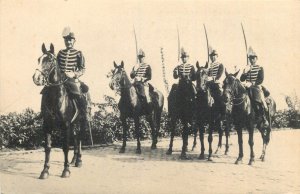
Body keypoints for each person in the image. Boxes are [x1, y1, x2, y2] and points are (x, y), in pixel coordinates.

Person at [57, 27, 89, 126]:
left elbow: (82, 69)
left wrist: (74, 74)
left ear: (74, 41)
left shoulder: (78, 53)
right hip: (60, 80)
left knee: (79, 96)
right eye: (66, 40)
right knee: (46, 91)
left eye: (70, 40)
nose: (68, 42)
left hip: (72, 80)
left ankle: (84, 115)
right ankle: (44, 112)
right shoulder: (60, 53)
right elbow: (57, 66)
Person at [240, 48, 269, 128]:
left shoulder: (260, 67)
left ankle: (263, 118)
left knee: (258, 100)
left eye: (253, 58)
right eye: (250, 58)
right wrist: (245, 72)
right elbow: (241, 79)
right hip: (247, 86)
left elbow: (261, 79)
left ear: (256, 58)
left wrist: (252, 83)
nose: (252, 60)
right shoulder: (247, 67)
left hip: (256, 86)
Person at [206, 49, 225, 118]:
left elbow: (219, 74)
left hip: (217, 84)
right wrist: (207, 71)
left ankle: (223, 114)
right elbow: (207, 74)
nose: (212, 57)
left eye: (214, 56)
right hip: (209, 84)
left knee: (220, 99)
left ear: (217, 56)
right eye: (211, 56)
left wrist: (213, 78)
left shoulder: (220, 64)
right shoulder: (209, 65)